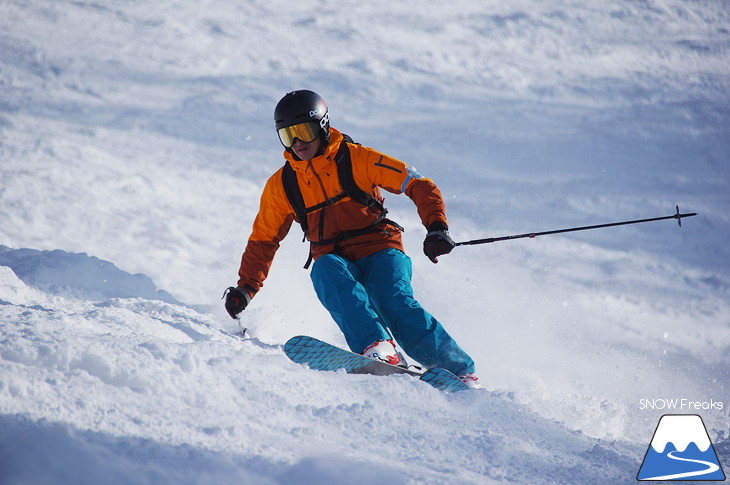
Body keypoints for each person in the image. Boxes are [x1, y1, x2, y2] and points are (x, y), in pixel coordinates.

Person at [225, 90, 479, 388]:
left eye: (304, 132)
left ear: (322, 126)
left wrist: (436, 226)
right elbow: (264, 239)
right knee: (325, 272)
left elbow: (417, 184)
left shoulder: (357, 158)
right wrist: (246, 287)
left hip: (379, 246)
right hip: (332, 254)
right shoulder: (282, 185)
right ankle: (378, 346)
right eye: (288, 135)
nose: (298, 143)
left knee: (393, 300)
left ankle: (457, 369)